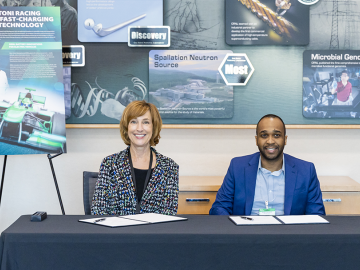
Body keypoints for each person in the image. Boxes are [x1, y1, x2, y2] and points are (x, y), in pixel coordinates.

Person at [210, 114, 325, 216]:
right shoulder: (237, 167)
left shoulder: (306, 170)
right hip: (247, 234)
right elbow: (219, 208)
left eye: (276, 135)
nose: (270, 141)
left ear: (285, 139)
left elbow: (316, 214)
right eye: (264, 135)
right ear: (256, 140)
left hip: (288, 235)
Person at [91, 100, 179, 216]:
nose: (139, 128)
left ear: (154, 127)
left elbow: (169, 213)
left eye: (146, 122)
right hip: (117, 232)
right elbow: (98, 210)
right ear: (127, 127)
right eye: (133, 122)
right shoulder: (110, 164)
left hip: (155, 232)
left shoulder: (169, 167)